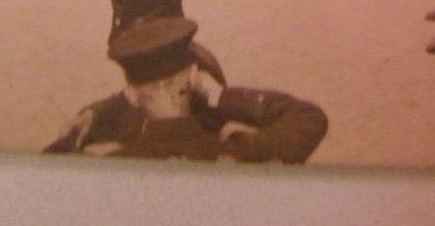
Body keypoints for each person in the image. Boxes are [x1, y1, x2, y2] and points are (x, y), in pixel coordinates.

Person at [45, 16, 328, 163]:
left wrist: (91, 119)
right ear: (194, 77)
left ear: (131, 94)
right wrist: (219, 96)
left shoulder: (111, 161)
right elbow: (308, 117)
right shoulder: (237, 153)